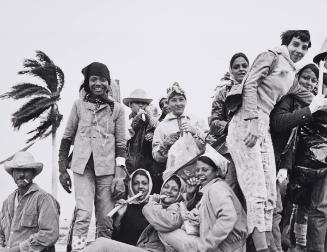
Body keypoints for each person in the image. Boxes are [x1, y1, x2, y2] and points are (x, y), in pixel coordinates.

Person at [226, 30, 326, 252]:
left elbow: (310, 99)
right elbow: (250, 83)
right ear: (286, 43)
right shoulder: (270, 56)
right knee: (255, 192)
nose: (299, 50)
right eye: (296, 44)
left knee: (271, 194)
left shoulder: (291, 74)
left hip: (263, 128)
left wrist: (319, 103)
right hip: (246, 121)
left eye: (304, 47)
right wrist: (251, 119)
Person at [58, 62, 127, 251]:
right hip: (82, 168)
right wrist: (62, 169)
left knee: (106, 218)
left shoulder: (118, 110)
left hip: (106, 170)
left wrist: (119, 177)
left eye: (103, 80)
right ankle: (79, 250)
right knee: (83, 214)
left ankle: (102, 249)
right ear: (87, 82)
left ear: (108, 82)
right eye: (94, 79)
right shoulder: (78, 106)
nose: (98, 83)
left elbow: (121, 146)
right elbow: (66, 138)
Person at [270, 63, 322, 252]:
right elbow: (278, 123)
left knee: (300, 208)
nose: (309, 83)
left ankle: (295, 245)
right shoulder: (289, 98)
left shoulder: (316, 100)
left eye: (313, 80)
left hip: (304, 164)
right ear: (297, 78)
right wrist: (309, 111)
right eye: (305, 77)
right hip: (281, 160)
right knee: (278, 209)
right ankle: (278, 246)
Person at [159, 147, 248, 252]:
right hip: (223, 245)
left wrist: (205, 245)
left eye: (205, 170)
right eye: (197, 170)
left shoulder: (217, 188)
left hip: (225, 248)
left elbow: (228, 217)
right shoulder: (211, 188)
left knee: (163, 231)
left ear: (216, 172)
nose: (199, 173)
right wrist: (191, 194)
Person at [81, 174, 185, 252]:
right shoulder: (157, 207)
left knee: (101, 244)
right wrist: (119, 217)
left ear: (180, 194)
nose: (168, 191)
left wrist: (152, 203)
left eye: (175, 189)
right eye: (166, 187)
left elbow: (170, 221)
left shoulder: (177, 207)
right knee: (99, 243)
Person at [209, 52, 249, 206]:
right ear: (231, 71)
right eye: (236, 67)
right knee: (229, 192)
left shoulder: (257, 90)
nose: (241, 69)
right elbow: (213, 123)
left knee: (250, 195)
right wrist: (233, 127)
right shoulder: (223, 93)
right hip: (229, 151)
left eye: (244, 66)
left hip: (252, 150)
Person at [0, 151, 60, 252]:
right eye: (17, 170)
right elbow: (1, 233)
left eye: (26, 170)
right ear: (12, 174)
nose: (21, 174)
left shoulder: (44, 199)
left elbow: (50, 234)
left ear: (33, 174)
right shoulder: (7, 202)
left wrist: (17, 249)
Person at [152, 82, 205, 164]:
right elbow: (156, 156)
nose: (178, 104)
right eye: (173, 100)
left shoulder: (196, 120)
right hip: (174, 171)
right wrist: (165, 144)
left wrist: (196, 132)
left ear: (186, 101)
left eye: (181, 99)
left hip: (199, 169)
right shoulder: (162, 127)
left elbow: (210, 143)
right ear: (168, 103)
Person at [123, 89, 164, 193]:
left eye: (144, 103)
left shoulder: (151, 119)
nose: (141, 105)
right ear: (130, 104)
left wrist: (153, 134)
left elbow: (161, 131)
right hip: (129, 166)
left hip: (148, 167)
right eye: (137, 102)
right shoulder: (124, 121)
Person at [111, 169, 153, 245]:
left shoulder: (154, 207)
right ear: (130, 185)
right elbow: (113, 237)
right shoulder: (123, 205)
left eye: (144, 183)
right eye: (136, 183)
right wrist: (119, 216)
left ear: (150, 185)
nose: (140, 186)